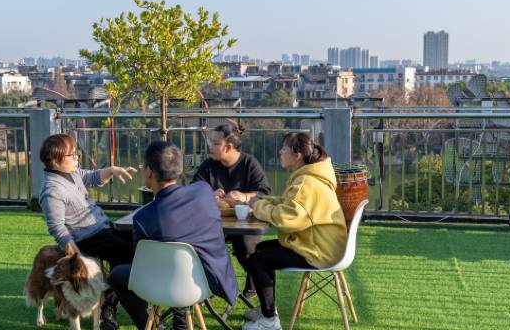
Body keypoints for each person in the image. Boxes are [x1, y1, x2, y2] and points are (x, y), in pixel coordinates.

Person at [109, 141, 239, 330]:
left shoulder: (143, 218)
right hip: (207, 281)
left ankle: (151, 326)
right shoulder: (203, 191)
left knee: (116, 275)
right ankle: (179, 321)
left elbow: (143, 262)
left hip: (165, 284)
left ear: (149, 171)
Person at [242, 132, 347, 330]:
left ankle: (270, 322)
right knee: (260, 249)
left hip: (318, 251)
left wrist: (257, 207)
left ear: (297, 154)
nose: (280, 152)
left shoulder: (306, 183)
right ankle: (268, 309)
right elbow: (288, 204)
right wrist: (261, 201)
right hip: (321, 244)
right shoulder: (308, 176)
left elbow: (288, 219)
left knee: (258, 260)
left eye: (284, 148)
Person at [38, 133, 138, 330]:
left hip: (102, 228)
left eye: (76, 153)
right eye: (72, 155)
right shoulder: (51, 190)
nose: (77, 158)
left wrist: (111, 170)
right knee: (126, 252)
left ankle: (115, 299)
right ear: (55, 160)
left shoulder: (71, 173)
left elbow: (91, 177)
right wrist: (76, 256)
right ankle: (107, 309)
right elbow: (57, 228)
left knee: (139, 238)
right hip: (86, 237)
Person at [193, 123, 271, 297]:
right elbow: (194, 190)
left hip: (245, 222)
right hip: (214, 221)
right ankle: (210, 283)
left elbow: (264, 193)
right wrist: (208, 194)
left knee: (247, 244)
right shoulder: (208, 165)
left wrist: (244, 197)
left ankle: (252, 285)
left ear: (228, 147)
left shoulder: (249, 163)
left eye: (214, 143)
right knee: (198, 242)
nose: (210, 147)